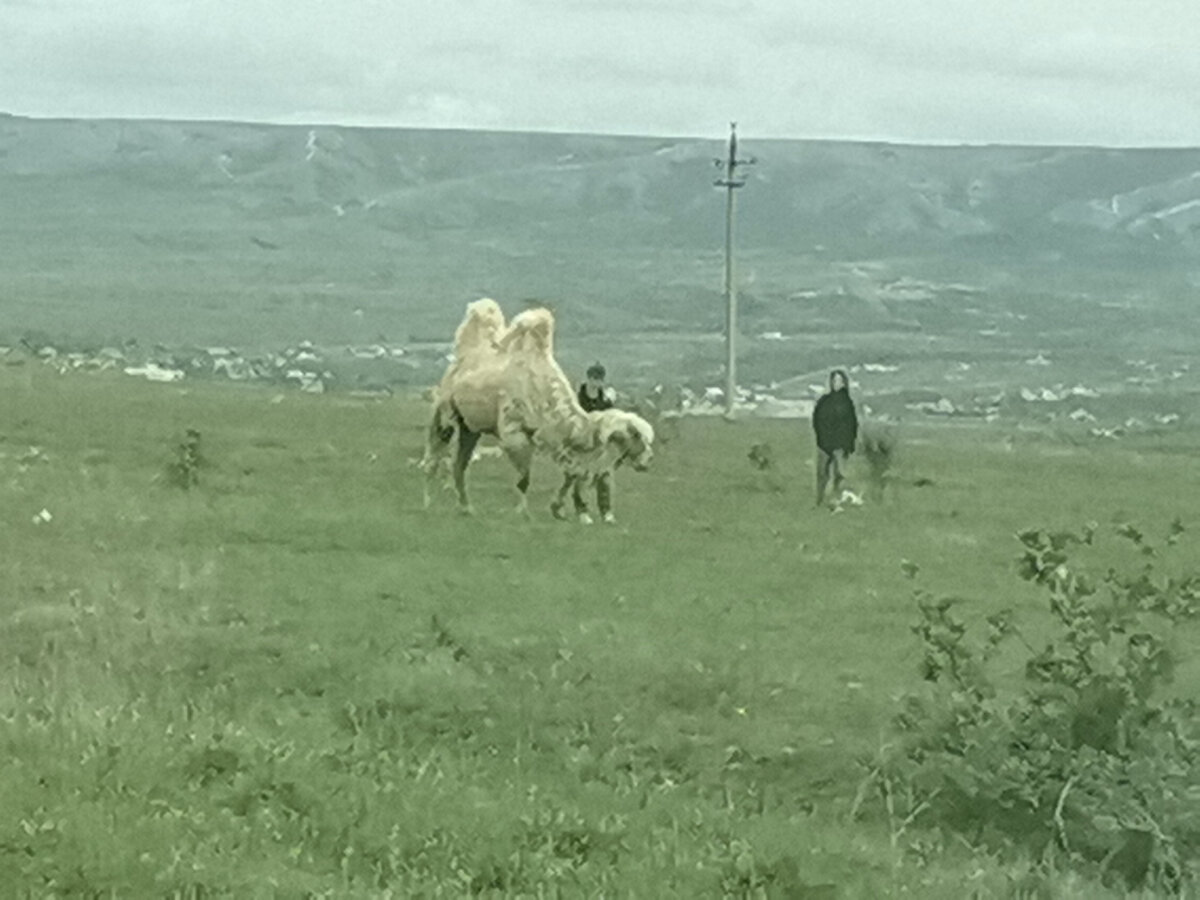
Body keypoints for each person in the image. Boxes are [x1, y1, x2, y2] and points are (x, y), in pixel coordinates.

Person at [553, 363, 616, 522]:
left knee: (604, 478)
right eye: (594, 378)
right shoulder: (577, 399)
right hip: (580, 445)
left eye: (600, 379)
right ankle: (582, 511)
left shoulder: (606, 400)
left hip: (599, 445)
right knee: (580, 478)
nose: (597, 382)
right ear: (588, 379)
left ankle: (606, 512)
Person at [811, 368, 858, 506]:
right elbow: (816, 419)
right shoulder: (824, 401)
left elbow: (852, 424)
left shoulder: (847, 402)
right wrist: (820, 436)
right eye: (835, 380)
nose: (837, 383)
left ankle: (835, 499)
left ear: (844, 383)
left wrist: (850, 444)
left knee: (839, 474)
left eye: (840, 381)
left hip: (841, 444)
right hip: (824, 442)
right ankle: (819, 500)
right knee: (821, 474)